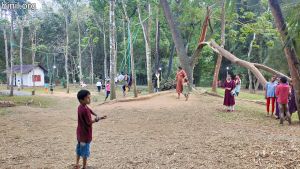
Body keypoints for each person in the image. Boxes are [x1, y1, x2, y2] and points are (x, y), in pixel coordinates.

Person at [75, 90, 107, 169]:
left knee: (79, 148)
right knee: (85, 151)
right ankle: (84, 166)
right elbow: (89, 122)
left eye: (89, 97)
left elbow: (90, 110)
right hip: (85, 135)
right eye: (88, 98)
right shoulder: (84, 110)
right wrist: (98, 118)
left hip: (80, 134)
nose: (90, 99)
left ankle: (77, 164)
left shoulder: (81, 106)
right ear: (81, 100)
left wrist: (96, 114)